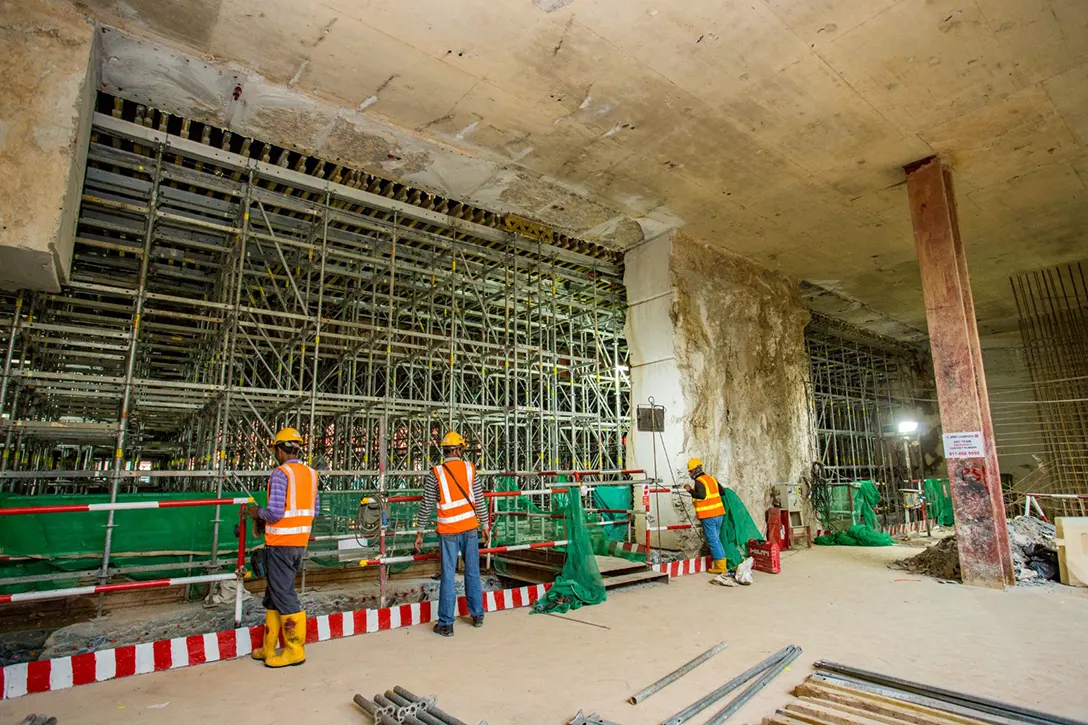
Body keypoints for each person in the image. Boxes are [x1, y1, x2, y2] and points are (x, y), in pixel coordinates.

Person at [244, 427, 319, 668]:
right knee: (274, 594)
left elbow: (274, 514)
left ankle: (295, 650)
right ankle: (269, 647)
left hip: (280, 544)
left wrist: (256, 512)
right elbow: (314, 511)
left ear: (279, 449)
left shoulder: (280, 474)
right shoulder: (311, 474)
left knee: (284, 595)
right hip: (298, 543)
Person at [414, 431, 489, 637]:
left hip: (448, 531)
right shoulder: (469, 468)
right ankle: (477, 614)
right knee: (472, 571)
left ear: (445, 451)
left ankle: (446, 624)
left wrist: (419, 531)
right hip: (470, 528)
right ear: (458, 449)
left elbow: (426, 504)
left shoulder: (435, 473)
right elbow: (480, 500)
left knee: (448, 575)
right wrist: (485, 524)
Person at [684, 458, 729, 575]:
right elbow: (722, 492)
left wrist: (690, 490)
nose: (689, 474)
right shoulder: (711, 479)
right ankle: (722, 563)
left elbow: (702, 496)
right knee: (717, 539)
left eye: (690, 471)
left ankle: (720, 567)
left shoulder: (699, 481)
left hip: (708, 515)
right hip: (719, 513)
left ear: (695, 470)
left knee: (713, 540)